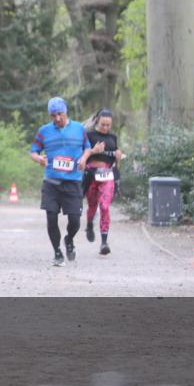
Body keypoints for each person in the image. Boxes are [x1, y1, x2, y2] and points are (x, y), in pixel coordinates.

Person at [30, 97, 93, 266]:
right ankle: (57, 252)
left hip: (73, 182)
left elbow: (88, 147)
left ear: (66, 112)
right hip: (51, 183)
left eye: (60, 114)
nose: (57, 118)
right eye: (53, 115)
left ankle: (69, 239)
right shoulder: (44, 131)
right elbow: (33, 151)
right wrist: (39, 159)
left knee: (75, 221)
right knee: (51, 218)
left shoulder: (79, 129)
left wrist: (84, 158)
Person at [82, 109, 125, 256]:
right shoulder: (89, 135)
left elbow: (115, 156)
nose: (106, 128)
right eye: (103, 124)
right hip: (91, 174)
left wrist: (118, 156)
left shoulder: (113, 137)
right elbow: (83, 154)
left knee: (105, 206)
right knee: (92, 206)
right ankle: (89, 224)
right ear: (97, 121)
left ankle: (104, 242)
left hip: (107, 175)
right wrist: (94, 151)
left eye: (108, 125)